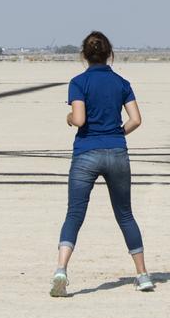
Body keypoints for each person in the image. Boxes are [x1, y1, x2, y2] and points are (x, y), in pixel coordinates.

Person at [51, 31, 153, 297]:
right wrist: (118, 132)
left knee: (74, 214)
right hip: (116, 152)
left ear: (83, 55)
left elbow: (81, 119)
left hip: (86, 152)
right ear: (110, 54)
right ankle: (142, 275)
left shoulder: (78, 82)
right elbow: (136, 119)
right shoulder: (121, 82)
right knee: (125, 215)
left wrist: (69, 118)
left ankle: (61, 270)